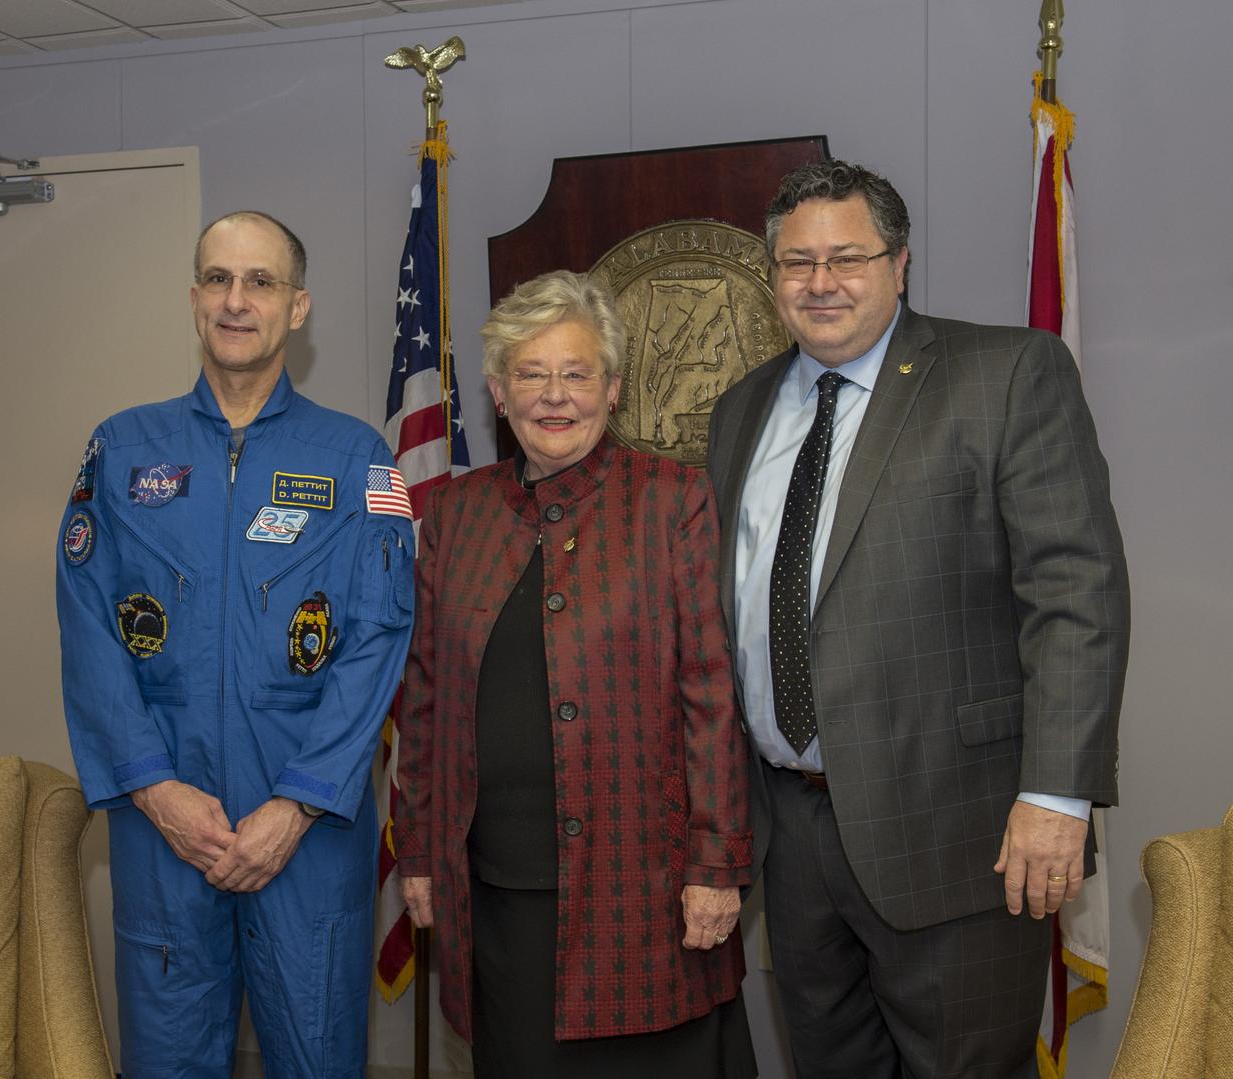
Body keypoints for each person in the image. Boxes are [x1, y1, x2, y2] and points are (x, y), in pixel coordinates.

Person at [706, 161, 1129, 1078]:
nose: (820, 282)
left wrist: (1056, 794)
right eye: (795, 262)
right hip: (793, 829)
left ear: (900, 263)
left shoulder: (1004, 373)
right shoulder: (740, 411)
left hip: (961, 831)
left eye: (846, 257)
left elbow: (1076, 591)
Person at [56, 210, 415, 1077]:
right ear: (193, 298)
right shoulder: (121, 449)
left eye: (260, 282)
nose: (236, 300)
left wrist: (296, 805)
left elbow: (379, 637)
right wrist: (152, 788)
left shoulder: (357, 458)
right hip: (165, 819)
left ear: (298, 308)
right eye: (218, 279)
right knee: (169, 1059)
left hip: (307, 822)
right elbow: (88, 626)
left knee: (317, 1056)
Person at [395, 270, 757, 1078]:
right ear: (497, 389)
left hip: (647, 896)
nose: (554, 396)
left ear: (613, 387)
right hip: (498, 894)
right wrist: (416, 847)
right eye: (531, 373)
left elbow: (711, 695)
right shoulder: (456, 514)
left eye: (577, 373)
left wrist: (715, 865)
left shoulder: (672, 502)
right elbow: (422, 696)